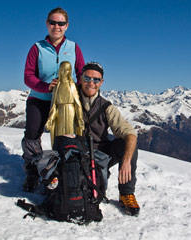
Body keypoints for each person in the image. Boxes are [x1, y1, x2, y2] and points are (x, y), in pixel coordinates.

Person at [21, 7, 85, 192]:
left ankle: (66, 172)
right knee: (32, 134)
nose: (56, 26)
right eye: (53, 22)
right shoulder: (37, 48)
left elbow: (81, 72)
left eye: (61, 23)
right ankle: (33, 172)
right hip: (40, 98)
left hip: (65, 101)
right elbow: (28, 76)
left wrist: (74, 88)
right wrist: (46, 86)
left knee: (66, 136)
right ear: (47, 24)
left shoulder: (73, 47)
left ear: (67, 26)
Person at [78, 62, 140, 216]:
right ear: (80, 78)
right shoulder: (69, 101)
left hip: (101, 154)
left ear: (102, 82)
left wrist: (126, 161)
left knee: (127, 144)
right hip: (77, 154)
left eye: (96, 79)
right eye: (87, 78)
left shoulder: (106, 107)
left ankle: (126, 193)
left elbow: (130, 134)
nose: (91, 83)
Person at [45, 61, 84, 147]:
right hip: (60, 114)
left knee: (71, 137)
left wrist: (80, 118)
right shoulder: (57, 85)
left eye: (67, 70)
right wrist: (51, 119)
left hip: (71, 114)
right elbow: (54, 104)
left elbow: (77, 104)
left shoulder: (72, 85)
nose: (64, 72)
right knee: (59, 137)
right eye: (63, 69)